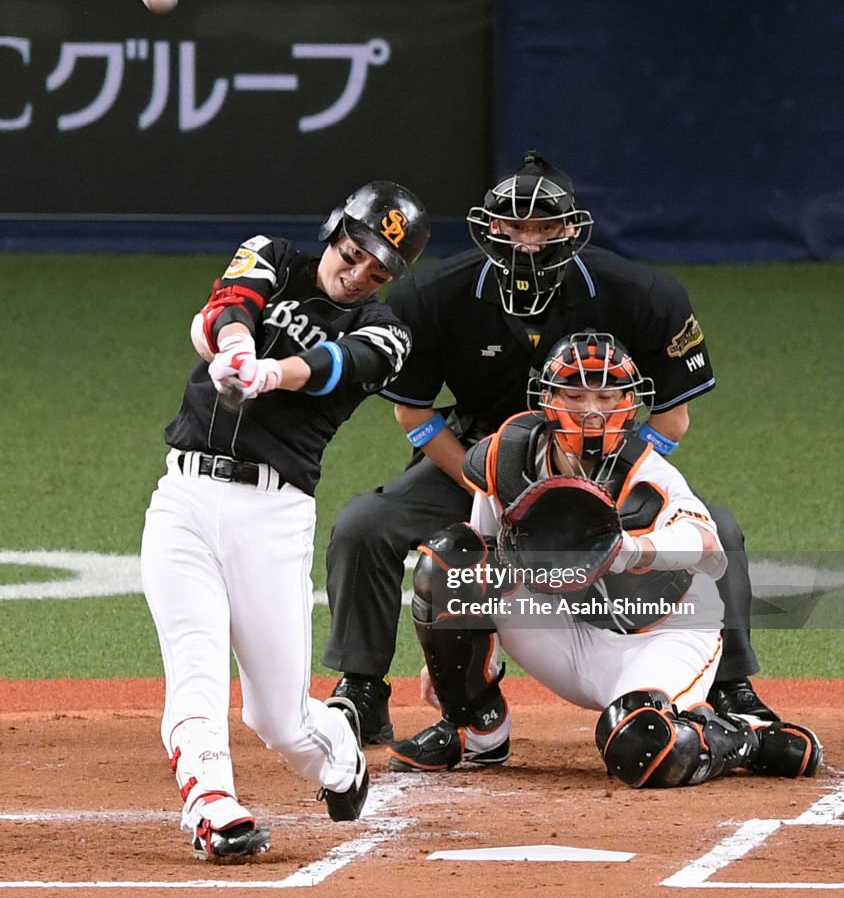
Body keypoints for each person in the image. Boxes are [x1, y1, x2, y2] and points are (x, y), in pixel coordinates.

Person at [323, 150, 775, 744]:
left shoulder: (641, 294)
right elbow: (414, 413)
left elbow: (674, 415)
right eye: (514, 225)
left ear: (571, 228)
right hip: (478, 457)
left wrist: (603, 481)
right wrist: (496, 483)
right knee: (364, 523)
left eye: (543, 226)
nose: (527, 240)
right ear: (491, 226)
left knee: (719, 529)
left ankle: (733, 688)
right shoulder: (434, 296)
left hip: (604, 461)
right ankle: (363, 689)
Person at [386, 332, 823, 788]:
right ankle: (476, 728)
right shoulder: (507, 456)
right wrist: (452, 661)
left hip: (658, 635)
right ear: (547, 398)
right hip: (560, 624)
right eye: (574, 394)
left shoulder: (648, 471)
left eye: (607, 396)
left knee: (642, 746)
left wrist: (630, 551)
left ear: (630, 402)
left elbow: (709, 549)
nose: (591, 410)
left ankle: (744, 737)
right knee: (448, 562)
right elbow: (481, 549)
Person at [140, 180, 429, 860]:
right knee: (195, 662)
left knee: (280, 719)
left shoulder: (387, 331)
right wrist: (237, 346)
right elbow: (229, 304)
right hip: (183, 499)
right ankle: (211, 804)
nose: (357, 273)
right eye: (354, 251)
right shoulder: (274, 254)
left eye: (377, 270)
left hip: (273, 516)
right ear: (338, 230)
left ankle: (339, 758)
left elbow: (338, 364)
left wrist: (270, 373)